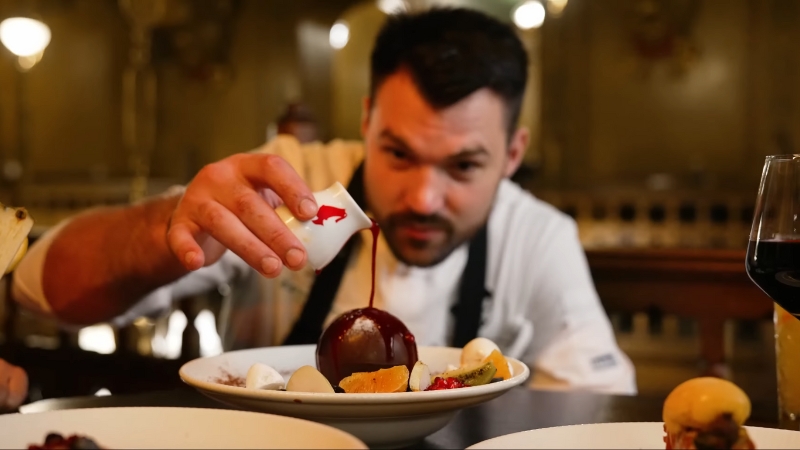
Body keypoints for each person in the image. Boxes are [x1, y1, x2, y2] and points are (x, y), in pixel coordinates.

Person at [12, 7, 636, 395]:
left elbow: (591, 403)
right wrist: (165, 231)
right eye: (398, 153)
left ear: (514, 153)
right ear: (366, 120)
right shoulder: (292, 185)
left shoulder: (537, 238)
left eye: (465, 165)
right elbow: (39, 290)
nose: (422, 196)